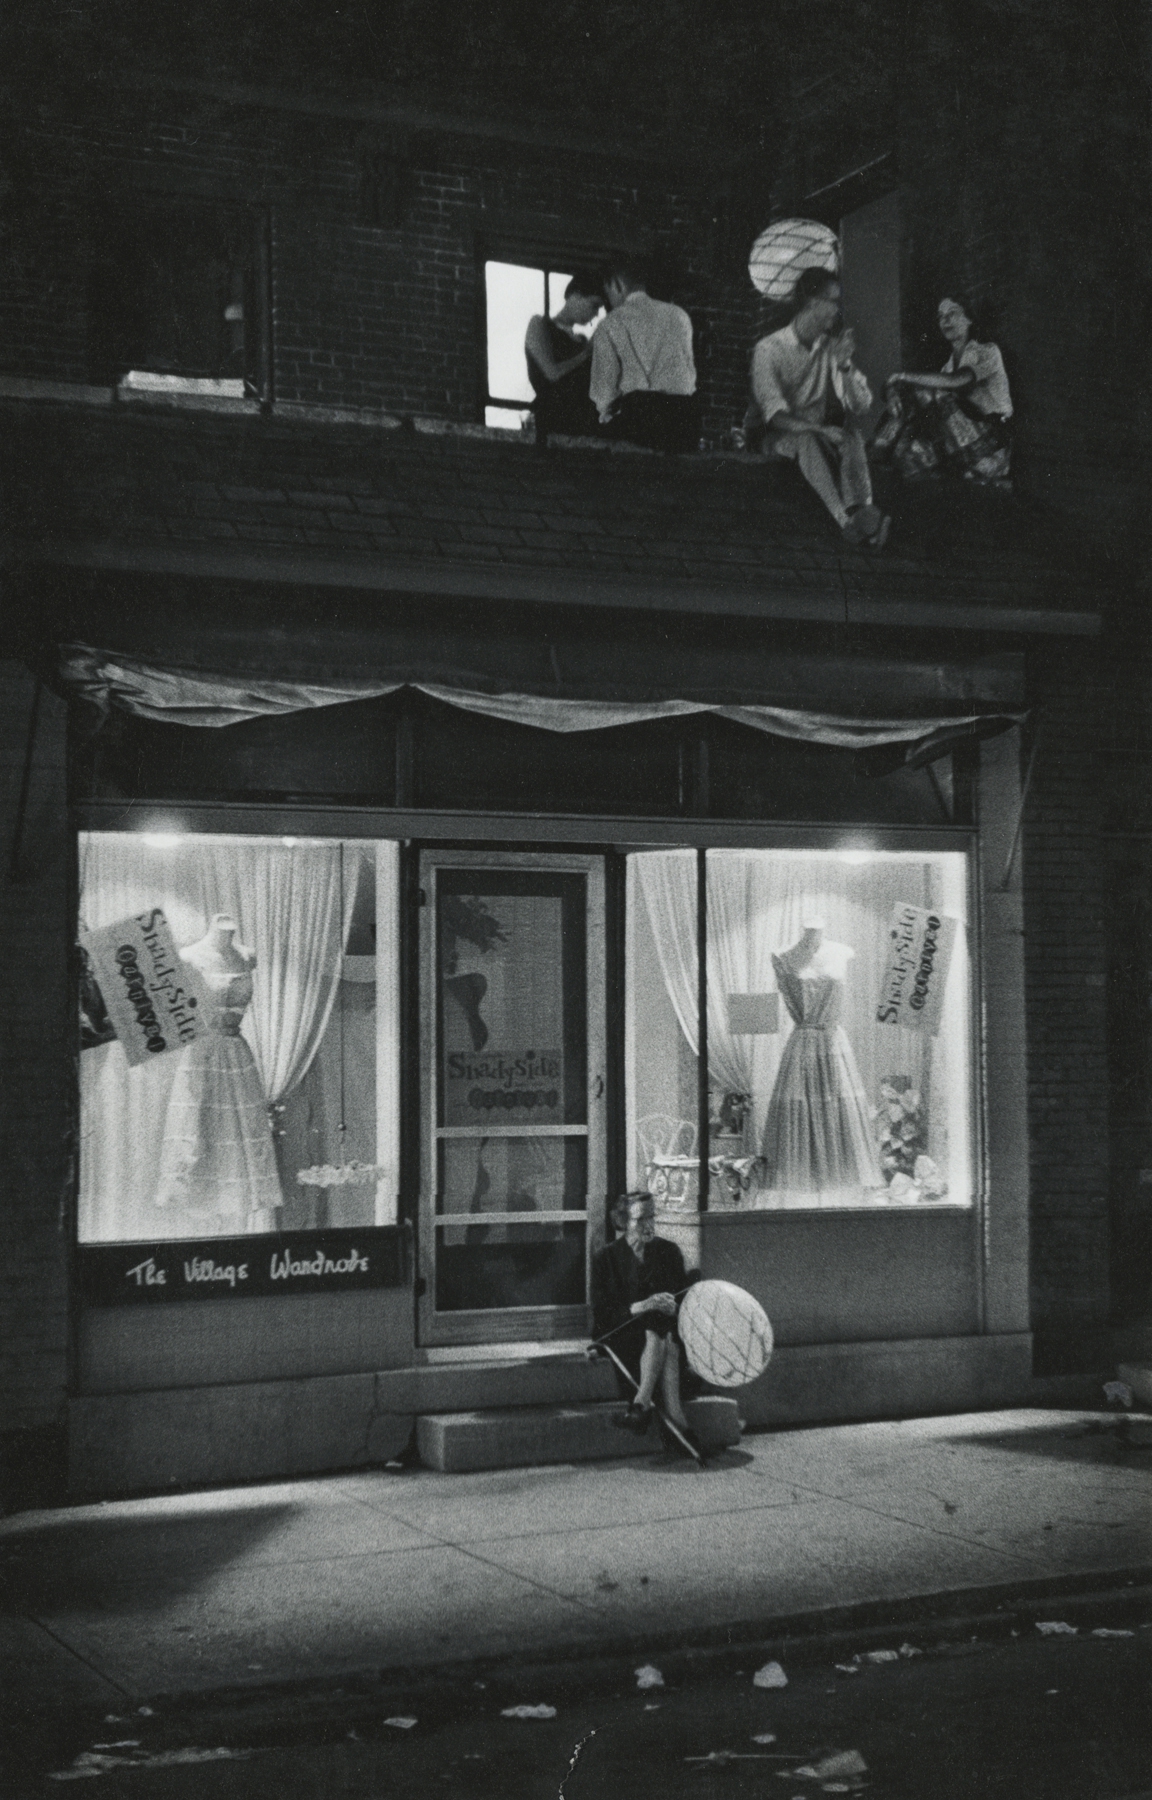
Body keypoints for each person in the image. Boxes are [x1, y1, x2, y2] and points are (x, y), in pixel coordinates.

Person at [750, 267, 890, 548]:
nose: (837, 310)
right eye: (833, 301)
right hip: (776, 437)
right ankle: (845, 522)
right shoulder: (769, 349)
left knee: (851, 436)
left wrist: (844, 366)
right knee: (806, 440)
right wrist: (819, 430)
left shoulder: (829, 347)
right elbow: (775, 416)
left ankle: (862, 512)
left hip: (818, 435)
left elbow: (861, 405)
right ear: (812, 302)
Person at [590, 1190, 698, 1442]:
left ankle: (641, 1405)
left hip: (661, 1335)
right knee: (662, 1335)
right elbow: (604, 1315)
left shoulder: (669, 1251)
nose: (649, 1225)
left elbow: (683, 1303)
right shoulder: (606, 1258)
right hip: (624, 1335)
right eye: (640, 1219)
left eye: (652, 1217)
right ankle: (678, 1423)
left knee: (661, 1331)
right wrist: (643, 1305)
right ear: (623, 1222)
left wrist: (674, 1307)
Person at [873, 295, 1013, 486]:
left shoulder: (988, 351)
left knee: (927, 393)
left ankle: (879, 449)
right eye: (941, 316)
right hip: (958, 440)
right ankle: (880, 457)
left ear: (969, 319)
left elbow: (957, 380)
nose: (945, 320)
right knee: (908, 457)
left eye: (952, 313)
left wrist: (902, 377)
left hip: (991, 444)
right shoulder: (947, 366)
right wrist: (892, 391)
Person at [588, 256, 699, 452]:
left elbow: (603, 391)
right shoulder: (679, 315)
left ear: (617, 284)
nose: (609, 300)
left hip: (640, 420)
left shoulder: (611, 323)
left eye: (608, 291)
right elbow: (689, 375)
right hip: (684, 421)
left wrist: (605, 419)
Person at [524, 272, 603, 440]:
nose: (596, 314)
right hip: (550, 421)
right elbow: (551, 373)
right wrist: (587, 353)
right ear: (575, 295)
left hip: (583, 424)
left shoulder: (582, 340)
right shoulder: (540, 325)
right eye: (594, 305)